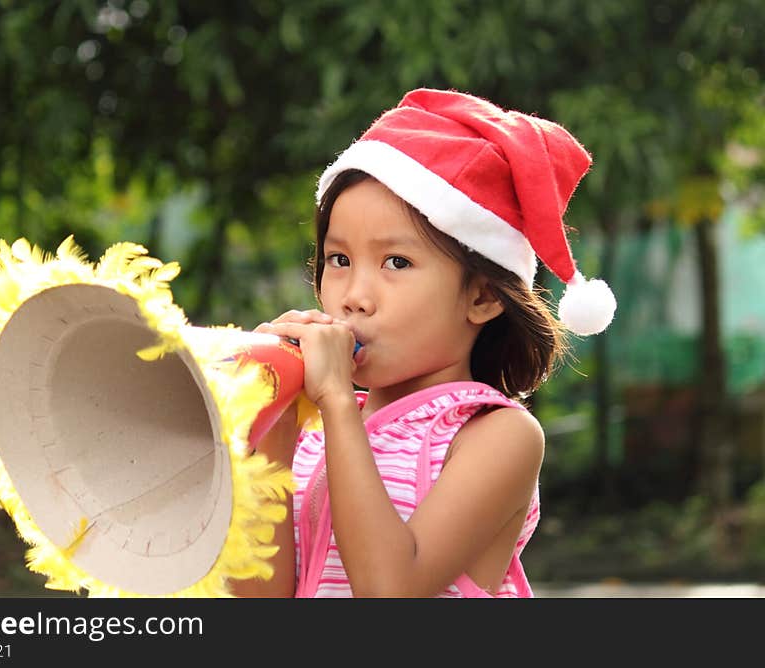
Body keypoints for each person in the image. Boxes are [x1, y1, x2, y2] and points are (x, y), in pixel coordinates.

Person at [230, 88, 616, 598]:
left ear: (482, 297)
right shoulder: (313, 430)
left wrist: (338, 404)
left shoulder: (499, 436)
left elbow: (391, 590)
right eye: (339, 260)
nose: (355, 298)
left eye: (396, 263)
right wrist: (272, 429)